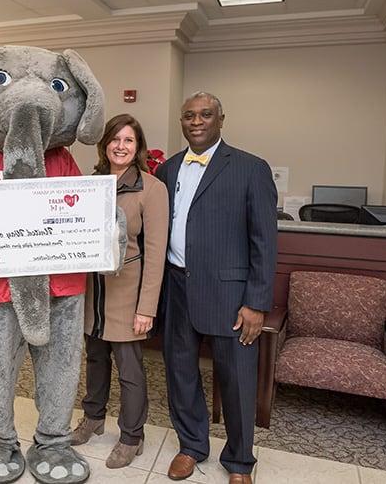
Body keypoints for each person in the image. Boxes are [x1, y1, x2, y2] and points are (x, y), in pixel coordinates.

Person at [155, 92, 277, 484]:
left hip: (230, 295)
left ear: (221, 119)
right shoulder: (168, 170)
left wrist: (256, 303)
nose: (196, 121)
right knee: (180, 372)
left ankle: (240, 461)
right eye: (188, 115)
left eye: (205, 114)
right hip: (176, 286)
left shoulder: (250, 168)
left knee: (237, 379)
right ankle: (191, 445)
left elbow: (264, 242)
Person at [71, 114, 168, 468]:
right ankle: (93, 418)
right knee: (95, 358)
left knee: (129, 367)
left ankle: (132, 436)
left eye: (128, 140)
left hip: (129, 291)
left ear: (138, 146)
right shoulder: (91, 184)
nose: (120, 146)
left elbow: (156, 254)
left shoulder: (151, 189)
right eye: (115, 139)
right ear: (105, 144)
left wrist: (147, 308)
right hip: (93, 290)